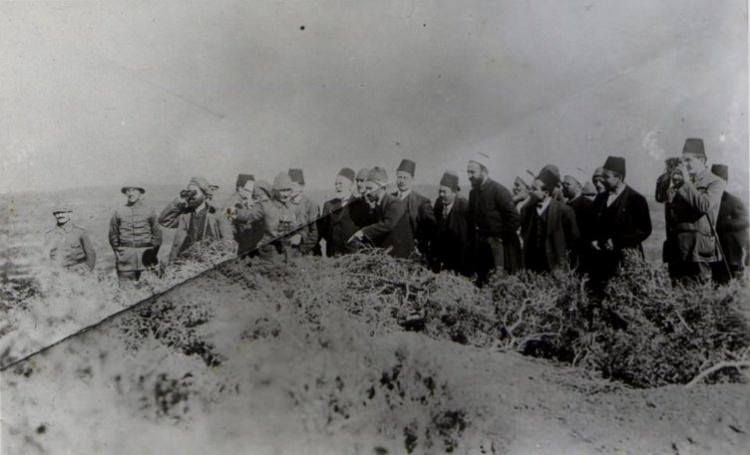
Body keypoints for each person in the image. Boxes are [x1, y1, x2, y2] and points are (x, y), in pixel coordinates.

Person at [657, 139, 726, 284]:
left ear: (702, 159)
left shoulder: (715, 182)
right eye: (682, 161)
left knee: (698, 296)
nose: (684, 165)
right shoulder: (680, 180)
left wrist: (686, 183)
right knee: (676, 296)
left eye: (688, 160)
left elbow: (704, 205)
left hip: (698, 250)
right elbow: (661, 198)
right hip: (676, 249)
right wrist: (667, 175)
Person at [590, 156, 652, 286]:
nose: (602, 180)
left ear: (619, 178)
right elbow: (593, 224)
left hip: (626, 259)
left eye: (606, 177)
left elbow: (645, 230)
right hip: (601, 261)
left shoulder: (636, 199)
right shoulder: (600, 198)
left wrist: (618, 242)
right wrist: (594, 239)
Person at [466, 151, 522, 285]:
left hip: (502, 252)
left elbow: (515, 220)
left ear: (484, 171)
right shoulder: (473, 193)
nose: (469, 176)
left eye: (472, 172)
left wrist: (499, 236)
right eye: (468, 172)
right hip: (483, 251)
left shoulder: (499, 191)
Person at [159, 176, 236, 263]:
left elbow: (228, 240)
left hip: (208, 261)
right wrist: (179, 201)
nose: (191, 196)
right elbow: (164, 221)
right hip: (183, 261)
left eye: (194, 192)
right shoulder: (185, 214)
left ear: (204, 194)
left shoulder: (216, 214)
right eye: (189, 192)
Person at [231, 172, 303, 261]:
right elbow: (248, 215)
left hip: (289, 252)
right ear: (275, 190)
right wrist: (229, 212)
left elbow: (300, 225)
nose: (286, 194)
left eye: (288, 190)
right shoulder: (265, 206)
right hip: (270, 254)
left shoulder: (292, 206)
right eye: (282, 190)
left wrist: (299, 235)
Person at [520, 168, 580, 273]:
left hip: (555, 263)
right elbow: (524, 232)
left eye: (534, 189)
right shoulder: (527, 210)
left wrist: (569, 265)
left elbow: (574, 240)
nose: (530, 191)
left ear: (546, 192)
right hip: (532, 263)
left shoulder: (564, 211)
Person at [349, 167, 414, 258]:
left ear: (382, 187)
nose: (367, 192)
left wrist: (363, 232)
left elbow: (388, 224)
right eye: (366, 188)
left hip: (401, 256)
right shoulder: (377, 206)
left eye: (370, 188)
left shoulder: (395, 203)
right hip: (389, 255)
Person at [108, 185, 162, 282]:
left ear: (140, 193)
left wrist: (151, 253)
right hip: (126, 259)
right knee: (127, 291)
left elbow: (157, 235)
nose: (130, 193)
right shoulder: (119, 212)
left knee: (150, 289)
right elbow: (113, 235)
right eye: (128, 191)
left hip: (146, 258)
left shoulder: (149, 211)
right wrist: (121, 252)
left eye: (134, 190)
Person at [710, 164, 748, 283]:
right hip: (709, 249)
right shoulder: (705, 199)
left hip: (728, 252)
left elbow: (745, 220)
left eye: (720, 181)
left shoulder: (733, 201)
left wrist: (725, 223)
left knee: (727, 281)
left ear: (725, 182)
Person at [430, 171, 472, 276]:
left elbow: (468, 236)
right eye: (439, 191)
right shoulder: (438, 203)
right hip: (442, 257)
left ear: (454, 193)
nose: (441, 195)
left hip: (460, 256)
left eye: (444, 192)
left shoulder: (464, 206)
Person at [393, 159, 436, 257]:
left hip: (412, 252)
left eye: (405, 178)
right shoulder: (390, 198)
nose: (402, 181)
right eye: (399, 177)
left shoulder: (422, 202)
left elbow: (431, 228)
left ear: (412, 179)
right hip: (391, 251)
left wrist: (421, 246)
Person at [318, 168, 361, 257]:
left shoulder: (360, 205)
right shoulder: (328, 205)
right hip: (332, 254)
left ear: (351, 185)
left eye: (340, 183)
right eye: (336, 184)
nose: (337, 186)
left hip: (352, 256)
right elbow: (323, 230)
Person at [45, 206, 96, 272]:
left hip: (78, 271)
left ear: (70, 214)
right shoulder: (49, 234)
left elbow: (90, 253)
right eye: (57, 213)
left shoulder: (80, 232)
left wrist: (87, 271)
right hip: (57, 272)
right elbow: (45, 256)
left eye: (63, 212)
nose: (60, 215)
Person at [562, 174, 593, 271]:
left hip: (582, 254)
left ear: (578, 186)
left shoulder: (587, 205)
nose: (564, 187)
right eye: (563, 184)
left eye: (568, 184)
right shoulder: (565, 205)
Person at [225, 173, 260, 256]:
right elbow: (229, 215)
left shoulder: (243, 200)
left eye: (252, 191)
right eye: (249, 191)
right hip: (237, 244)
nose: (251, 194)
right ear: (240, 189)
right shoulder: (232, 202)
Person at [288, 169, 320, 255]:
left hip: (306, 252)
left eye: (293, 185)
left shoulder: (311, 205)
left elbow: (314, 234)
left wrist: (301, 248)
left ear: (301, 187)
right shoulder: (285, 205)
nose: (290, 189)